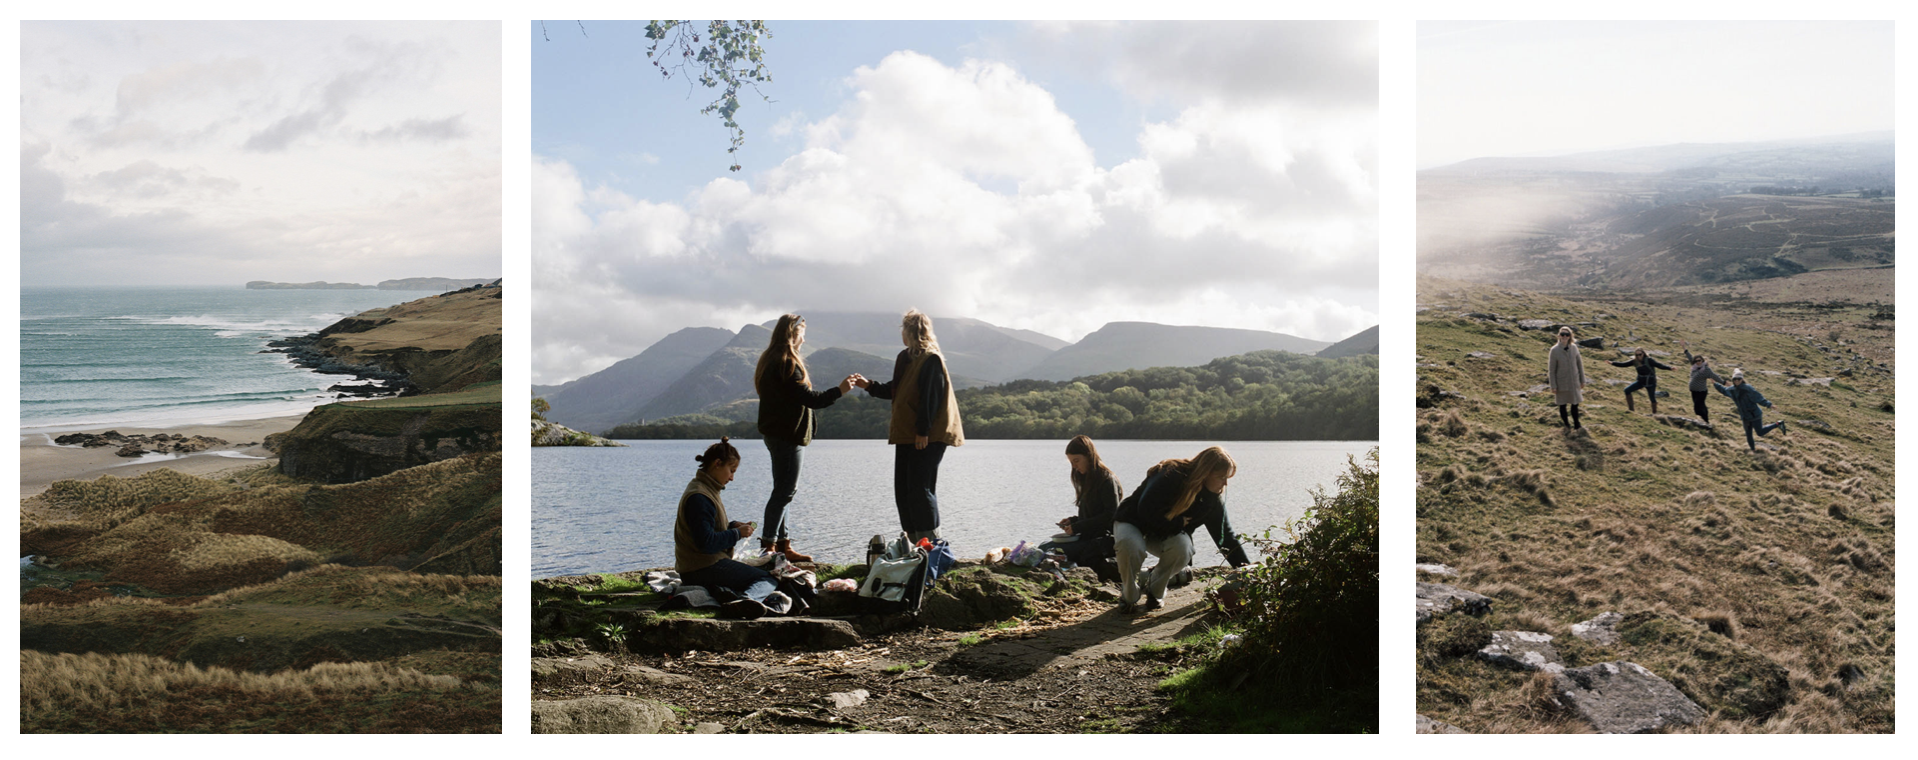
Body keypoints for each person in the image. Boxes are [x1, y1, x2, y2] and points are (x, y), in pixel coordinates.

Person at [754, 313, 859, 563]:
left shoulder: (772, 360)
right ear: (793, 334)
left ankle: (782, 545)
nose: (804, 337)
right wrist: (840, 390)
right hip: (787, 436)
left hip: (777, 434)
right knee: (785, 491)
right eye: (802, 332)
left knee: (783, 490)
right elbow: (811, 399)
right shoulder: (786, 363)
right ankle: (769, 546)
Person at [854, 309, 964, 543]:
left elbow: (930, 398)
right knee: (903, 490)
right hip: (907, 434)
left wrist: (922, 431)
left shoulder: (931, 359)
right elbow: (897, 390)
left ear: (910, 332)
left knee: (920, 489)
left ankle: (931, 545)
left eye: (904, 330)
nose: (902, 334)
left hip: (926, 436)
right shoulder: (907, 358)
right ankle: (915, 544)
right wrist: (868, 386)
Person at [1111, 446, 1252, 614]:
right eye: (1221, 477)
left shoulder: (1212, 501)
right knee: (1131, 546)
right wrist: (1178, 522)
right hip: (1132, 521)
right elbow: (1146, 509)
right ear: (1205, 473)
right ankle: (1129, 595)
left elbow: (1226, 538)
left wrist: (1247, 571)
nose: (1225, 483)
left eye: (1227, 478)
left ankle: (1155, 591)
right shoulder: (1172, 474)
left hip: (1161, 531)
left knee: (1183, 549)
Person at [674, 437, 783, 619]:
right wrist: (737, 533)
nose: (732, 477)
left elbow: (707, 527)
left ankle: (734, 596)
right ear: (717, 464)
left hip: (697, 567)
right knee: (767, 578)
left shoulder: (704, 489)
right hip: (701, 568)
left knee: (763, 571)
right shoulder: (699, 497)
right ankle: (745, 602)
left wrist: (732, 525)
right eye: (731, 471)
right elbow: (706, 543)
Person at [1041, 435, 1123, 582]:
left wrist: (1078, 526)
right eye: (1071, 462)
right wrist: (1073, 521)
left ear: (1089, 456)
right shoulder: (1086, 479)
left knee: (1051, 551)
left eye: (1076, 461)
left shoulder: (1106, 480)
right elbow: (1093, 514)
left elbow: (1111, 516)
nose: (1074, 466)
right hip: (1087, 536)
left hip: (1104, 539)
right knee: (1044, 547)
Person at [1714, 369, 1786, 452]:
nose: (1737, 381)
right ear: (1733, 380)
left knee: (1760, 433)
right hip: (1745, 417)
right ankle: (1753, 450)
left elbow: (1758, 397)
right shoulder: (1732, 390)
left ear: (1742, 379)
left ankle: (1778, 423)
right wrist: (1715, 383)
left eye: (1739, 379)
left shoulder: (1748, 388)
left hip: (1755, 415)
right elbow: (1724, 391)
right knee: (1748, 435)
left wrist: (1769, 405)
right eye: (1735, 379)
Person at [1609, 347, 1674, 414]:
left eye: (1640, 354)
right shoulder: (1634, 361)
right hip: (1640, 382)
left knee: (1652, 398)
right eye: (1637, 355)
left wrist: (1670, 368)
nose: (1638, 356)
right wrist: (1612, 363)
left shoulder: (1649, 360)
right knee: (1627, 390)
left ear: (1643, 353)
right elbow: (1623, 364)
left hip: (1650, 382)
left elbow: (1659, 365)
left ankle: (1654, 414)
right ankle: (1631, 410)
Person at [1548, 326, 1588, 429]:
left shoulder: (1574, 347)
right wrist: (1553, 386)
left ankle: (1577, 424)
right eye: (1563, 334)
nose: (1565, 336)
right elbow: (1552, 370)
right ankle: (1566, 425)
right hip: (1561, 383)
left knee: (1575, 404)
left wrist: (1582, 380)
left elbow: (1579, 364)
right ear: (1559, 336)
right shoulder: (1554, 350)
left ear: (1570, 336)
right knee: (1563, 405)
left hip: (1574, 381)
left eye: (1567, 334)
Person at [1679, 340, 1723, 426]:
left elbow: (1714, 376)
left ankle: (1706, 422)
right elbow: (1689, 356)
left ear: (1702, 360)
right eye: (1696, 361)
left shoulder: (1706, 369)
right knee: (1697, 408)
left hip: (1701, 391)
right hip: (1693, 391)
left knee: (1699, 406)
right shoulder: (1694, 367)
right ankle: (1703, 421)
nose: (1698, 362)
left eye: (1699, 360)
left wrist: (1724, 382)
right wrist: (1684, 347)